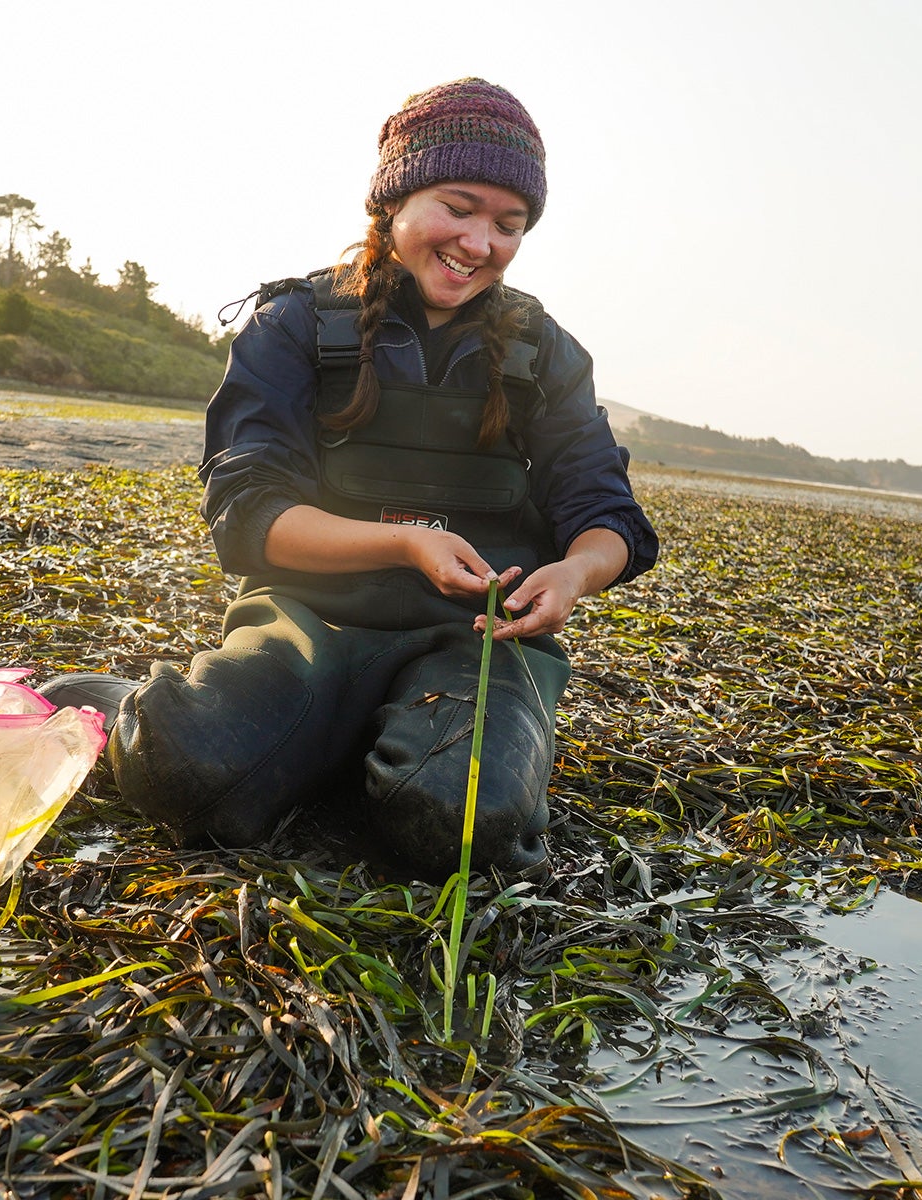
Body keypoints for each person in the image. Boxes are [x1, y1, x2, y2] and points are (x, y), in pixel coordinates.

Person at [46, 78, 658, 879]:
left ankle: (345, 745)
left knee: (468, 825)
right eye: (459, 206)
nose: (480, 242)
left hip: (476, 642)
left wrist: (577, 571)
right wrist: (405, 543)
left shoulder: (548, 354)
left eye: (509, 225)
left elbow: (607, 509)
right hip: (312, 621)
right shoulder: (296, 324)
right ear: (395, 199)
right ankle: (152, 705)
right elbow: (247, 512)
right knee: (190, 777)